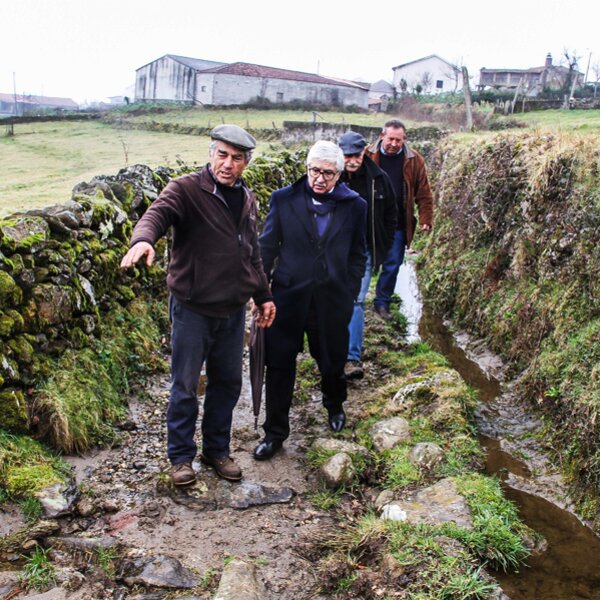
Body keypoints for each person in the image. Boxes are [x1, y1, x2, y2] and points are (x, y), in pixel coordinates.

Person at [120, 124, 275, 485]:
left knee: (227, 383)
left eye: (237, 158)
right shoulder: (185, 189)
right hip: (192, 309)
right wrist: (143, 239)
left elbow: (251, 254)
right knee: (185, 386)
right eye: (222, 155)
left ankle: (216, 450)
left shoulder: (247, 198)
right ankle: (180, 458)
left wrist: (264, 296)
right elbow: (157, 214)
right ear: (211, 154)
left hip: (232, 311)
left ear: (246, 163)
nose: (228, 164)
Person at [253, 141, 367, 460]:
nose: (319, 178)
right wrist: (261, 293)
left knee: (331, 360)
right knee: (279, 365)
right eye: (314, 170)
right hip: (287, 298)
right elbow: (266, 248)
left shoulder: (355, 205)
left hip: (332, 300)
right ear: (306, 169)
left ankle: (335, 405)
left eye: (328, 173)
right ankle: (275, 433)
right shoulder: (283, 199)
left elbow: (358, 254)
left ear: (339, 175)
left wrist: (349, 292)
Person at [337, 131, 397, 380]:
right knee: (330, 299)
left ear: (364, 152)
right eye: (347, 156)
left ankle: (351, 358)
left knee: (356, 301)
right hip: (332, 251)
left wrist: (382, 244)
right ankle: (331, 352)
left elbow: (391, 214)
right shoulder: (330, 176)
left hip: (363, 252)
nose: (352, 160)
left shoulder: (378, 179)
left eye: (356, 155)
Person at [366, 119, 434, 320]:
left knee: (393, 263)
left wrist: (425, 218)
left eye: (399, 140)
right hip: (369, 221)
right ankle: (355, 299)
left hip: (397, 222)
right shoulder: (367, 155)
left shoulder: (414, 160)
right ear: (382, 136)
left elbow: (424, 192)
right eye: (391, 139)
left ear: (404, 139)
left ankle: (382, 303)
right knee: (363, 261)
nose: (394, 144)